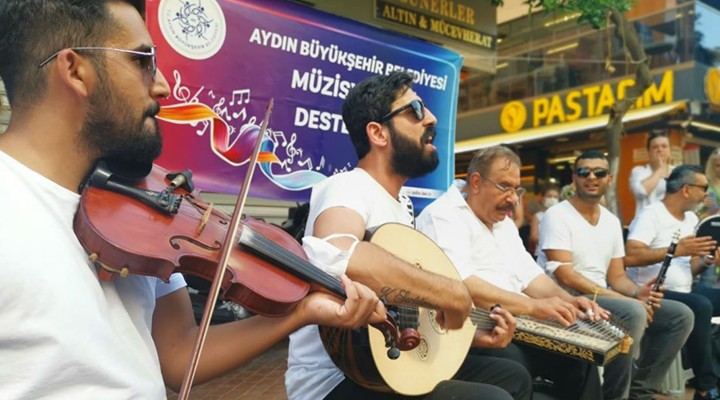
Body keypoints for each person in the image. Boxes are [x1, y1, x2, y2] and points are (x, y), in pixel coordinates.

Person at [0, 1, 388, 398]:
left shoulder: (144, 208)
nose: (163, 85)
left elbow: (178, 353)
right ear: (75, 71)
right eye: (143, 61)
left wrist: (301, 312)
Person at [285, 72, 533, 400]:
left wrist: (469, 337)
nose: (429, 118)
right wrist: (452, 292)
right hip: (338, 380)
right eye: (414, 110)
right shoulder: (348, 186)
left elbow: (403, 309)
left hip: (388, 364)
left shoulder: (403, 206)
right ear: (378, 133)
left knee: (512, 375)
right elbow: (339, 256)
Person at [416, 145, 606, 400]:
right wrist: (533, 307)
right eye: (505, 187)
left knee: (580, 356)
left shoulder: (503, 222)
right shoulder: (443, 216)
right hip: (474, 333)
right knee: (515, 365)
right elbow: (462, 285)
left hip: (520, 324)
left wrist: (567, 300)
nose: (514, 200)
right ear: (475, 182)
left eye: (517, 190)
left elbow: (530, 275)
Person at [536, 150, 694, 400]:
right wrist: (629, 301)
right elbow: (565, 275)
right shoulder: (557, 215)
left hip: (601, 299)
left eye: (599, 172)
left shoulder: (610, 221)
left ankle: (639, 392)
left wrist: (637, 292)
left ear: (608, 179)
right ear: (573, 178)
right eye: (583, 172)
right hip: (567, 299)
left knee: (680, 316)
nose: (591, 177)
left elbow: (618, 275)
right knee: (634, 312)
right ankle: (615, 396)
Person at [625, 164, 720, 400]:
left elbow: (689, 266)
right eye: (703, 188)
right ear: (686, 190)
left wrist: (707, 261)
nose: (706, 194)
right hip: (654, 293)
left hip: (686, 290)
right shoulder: (651, 214)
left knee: (703, 301)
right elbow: (631, 256)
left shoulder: (690, 219)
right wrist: (674, 249)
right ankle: (706, 386)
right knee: (700, 305)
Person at [629, 130, 674, 219]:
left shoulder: (677, 171)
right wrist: (660, 169)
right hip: (647, 222)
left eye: (664, 146)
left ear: (669, 150)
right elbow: (642, 191)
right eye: (655, 147)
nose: (660, 150)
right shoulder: (639, 171)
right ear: (649, 151)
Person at [527, 184, 560, 254]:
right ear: (543, 198)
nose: (552, 199)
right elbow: (534, 237)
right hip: (542, 252)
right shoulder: (538, 216)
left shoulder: (562, 215)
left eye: (555, 197)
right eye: (549, 196)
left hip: (560, 252)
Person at [698, 149, 720, 220]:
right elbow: (712, 210)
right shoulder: (707, 186)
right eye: (718, 165)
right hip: (710, 223)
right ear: (712, 166)